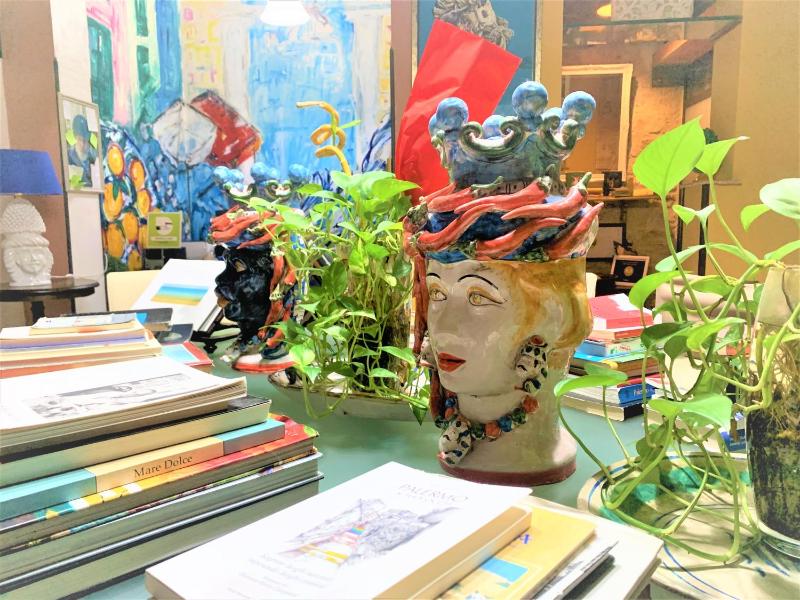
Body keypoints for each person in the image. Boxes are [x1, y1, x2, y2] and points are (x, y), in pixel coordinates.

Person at [67, 114, 98, 187]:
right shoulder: (68, 157)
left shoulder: (95, 157)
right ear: (75, 137)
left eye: (85, 140)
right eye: (79, 139)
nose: (82, 144)